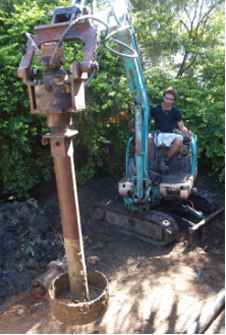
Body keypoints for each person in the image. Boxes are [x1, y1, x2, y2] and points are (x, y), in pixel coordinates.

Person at [149, 87, 192, 173]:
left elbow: (181, 126)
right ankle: (152, 163)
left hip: (170, 134)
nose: (168, 101)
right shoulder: (155, 109)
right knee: (148, 138)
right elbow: (146, 122)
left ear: (173, 101)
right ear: (163, 98)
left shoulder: (176, 111)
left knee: (180, 139)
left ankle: (165, 160)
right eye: (167, 98)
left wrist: (188, 133)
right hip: (158, 134)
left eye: (171, 99)